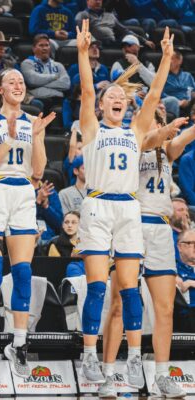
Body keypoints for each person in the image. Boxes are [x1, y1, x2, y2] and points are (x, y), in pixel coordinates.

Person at [74, 20, 173, 386]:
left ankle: (133, 359)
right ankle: (88, 355)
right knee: (99, 286)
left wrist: (165, 59)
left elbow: (153, 94)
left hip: (129, 208)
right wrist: (83, 53)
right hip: (98, 206)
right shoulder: (93, 129)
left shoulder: (135, 131)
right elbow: (85, 90)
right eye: (111, 97)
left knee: (130, 287)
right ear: (102, 106)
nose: (118, 100)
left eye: (122, 97)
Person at [99, 111, 193, 398]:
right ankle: (108, 374)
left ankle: (162, 375)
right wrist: (164, 129)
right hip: (132, 225)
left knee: (165, 308)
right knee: (118, 305)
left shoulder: (167, 149)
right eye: (151, 118)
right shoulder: (131, 143)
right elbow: (149, 138)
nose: (156, 123)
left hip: (161, 229)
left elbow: (184, 137)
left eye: (158, 117)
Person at [0, 69, 55, 377]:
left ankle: (18, 343)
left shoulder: (34, 122)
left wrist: (35, 136)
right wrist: (10, 141)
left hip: (23, 192)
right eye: (12, 82)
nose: (18, 85)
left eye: (21, 81)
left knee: (23, 271)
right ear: (0, 89)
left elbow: (38, 170)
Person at [21, 33, 71, 113]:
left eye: (47, 45)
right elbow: (33, 81)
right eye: (41, 45)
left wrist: (40, 85)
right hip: (40, 99)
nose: (45, 48)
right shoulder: (27, 63)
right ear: (34, 48)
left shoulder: (58, 65)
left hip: (58, 100)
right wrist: (54, 77)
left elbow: (66, 84)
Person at [75, 0, 155, 48]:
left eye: (100, 0)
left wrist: (144, 41)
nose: (98, 1)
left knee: (133, 43)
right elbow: (82, 33)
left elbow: (125, 30)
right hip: (96, 44)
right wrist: (93, 43)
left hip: (113, 43)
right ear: (87, 1)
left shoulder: (109, 15)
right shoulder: (83, 15)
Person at [163, 50, 195, 118]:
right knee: (173, 101)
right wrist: (179, 102)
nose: (168, 61)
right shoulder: (163, 76)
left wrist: (190, 99)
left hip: (189, 103)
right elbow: (160, 94)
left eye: (171, 58)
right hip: (172, 103)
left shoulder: (188, 75)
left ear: (179, 61)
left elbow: (193, 91)